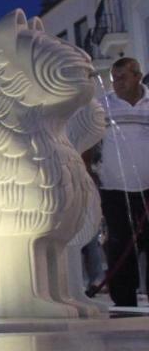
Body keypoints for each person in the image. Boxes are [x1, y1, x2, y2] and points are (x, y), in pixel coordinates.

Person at [98, 57, 149, 307]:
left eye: (122, 78)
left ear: (137, 76)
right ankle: (124, 302)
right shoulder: (102, 105)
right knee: (120, 244)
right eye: (113, 79)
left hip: (148, 189)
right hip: (114, 188)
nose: (116, 84)